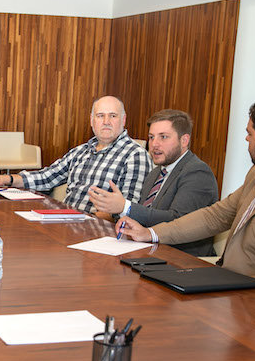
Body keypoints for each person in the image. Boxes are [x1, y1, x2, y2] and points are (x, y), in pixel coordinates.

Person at [117, 96, 255, 291]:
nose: (246, 140)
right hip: (228, 279)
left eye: (249, 134)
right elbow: (216, 215)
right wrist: (151, 233)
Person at [0, 96, 151, 213]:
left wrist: (91, 221)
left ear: (123, 120)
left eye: (112, 116)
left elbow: (129, 208)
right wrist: (7, 179)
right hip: (67, 220)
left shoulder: (135, 156)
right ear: (92, 120)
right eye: (100, 116)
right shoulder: (81, 151)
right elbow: (47, 176)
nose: (106, 122)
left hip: (97, 230)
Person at [87, 109, 218, 256]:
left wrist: (125, 207)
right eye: (151, 137)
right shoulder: (156, 172)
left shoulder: (197, 172)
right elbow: (148, 217)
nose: (154, 144)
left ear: (184, 140)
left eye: (163, 137)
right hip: (148, 251)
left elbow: (178, 222)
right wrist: (127, 221)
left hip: (182, 260)